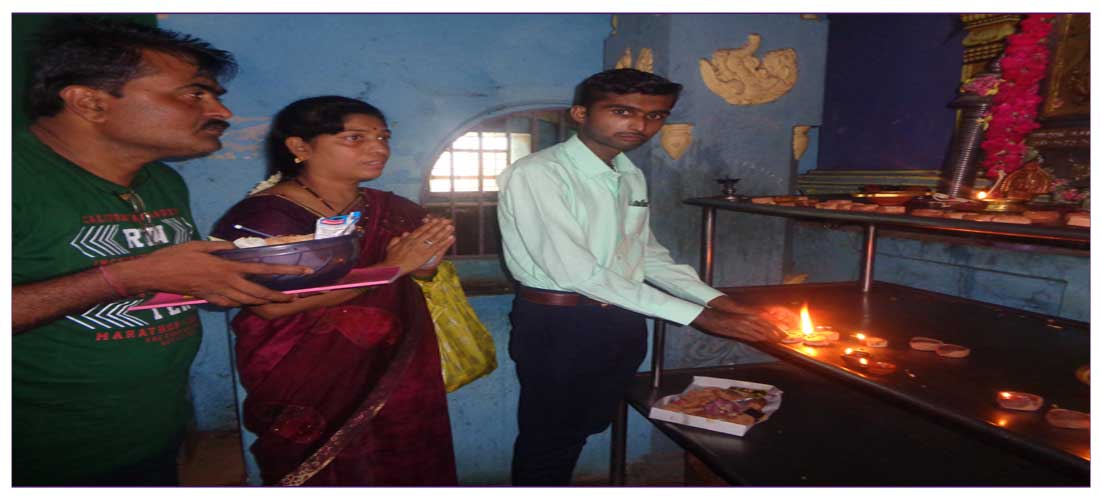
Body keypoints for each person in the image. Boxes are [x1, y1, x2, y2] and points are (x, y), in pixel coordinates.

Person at [11, 17, 317, 486]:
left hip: (150, 437)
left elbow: (167, 281)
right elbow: (138, 276)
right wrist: (126, 276)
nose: (222, 112)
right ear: (90, 102)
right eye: (194, 93)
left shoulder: (162, 181)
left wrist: (231, 274)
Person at [496, 68, 799, 485]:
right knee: (549, 437)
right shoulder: (538, 173)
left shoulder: (627, 173)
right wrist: (699, 317)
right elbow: (574, 270)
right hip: (560, 325)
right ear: (580, 113)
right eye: (622, 111)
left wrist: (720, 302)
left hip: (619, 318)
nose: (640, 125)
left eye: (657, 116)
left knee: (586, 424)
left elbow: (647, 255)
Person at [209, 96, 459, 485]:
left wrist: (426, 263)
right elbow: (271, 307)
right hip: (307, 374)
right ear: (300, 147)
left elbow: (418, 280)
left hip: (394, 368)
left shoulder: (393, 209)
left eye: (383, 137)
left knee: (405, 461)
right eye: (355, 138)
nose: (379, 148)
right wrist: (393, 268)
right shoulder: (265, 216)